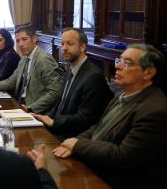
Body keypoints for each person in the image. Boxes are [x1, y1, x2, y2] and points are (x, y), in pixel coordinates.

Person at [53, 43, 167, 189]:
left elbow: (124, 156)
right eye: (118, 61)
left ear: (149, 73)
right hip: (96, 164)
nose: (118, 66)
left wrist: (78, 145)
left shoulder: (154, 110)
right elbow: (98, 127)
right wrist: (75, 140)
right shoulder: (122, 94)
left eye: (127, 63)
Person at [33, 28, 113, 140]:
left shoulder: (93, 77)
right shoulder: (70, 69)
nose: (64, 48)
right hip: (57, 129)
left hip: (72, 136)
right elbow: (61, 105)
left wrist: (53, 122)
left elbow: (85, 119)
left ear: (82, 47)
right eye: (62, 44)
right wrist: (43, 118)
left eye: (69, 44)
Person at [0, 25, 63, 114]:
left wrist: (31, 108)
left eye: (24, 39)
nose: (20, 44)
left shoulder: (43, 59)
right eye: (18, 41)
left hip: (34, 111)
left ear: (34, 39)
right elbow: (12, 81)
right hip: (19, 104)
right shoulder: (25, 58)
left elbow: (55, 92)